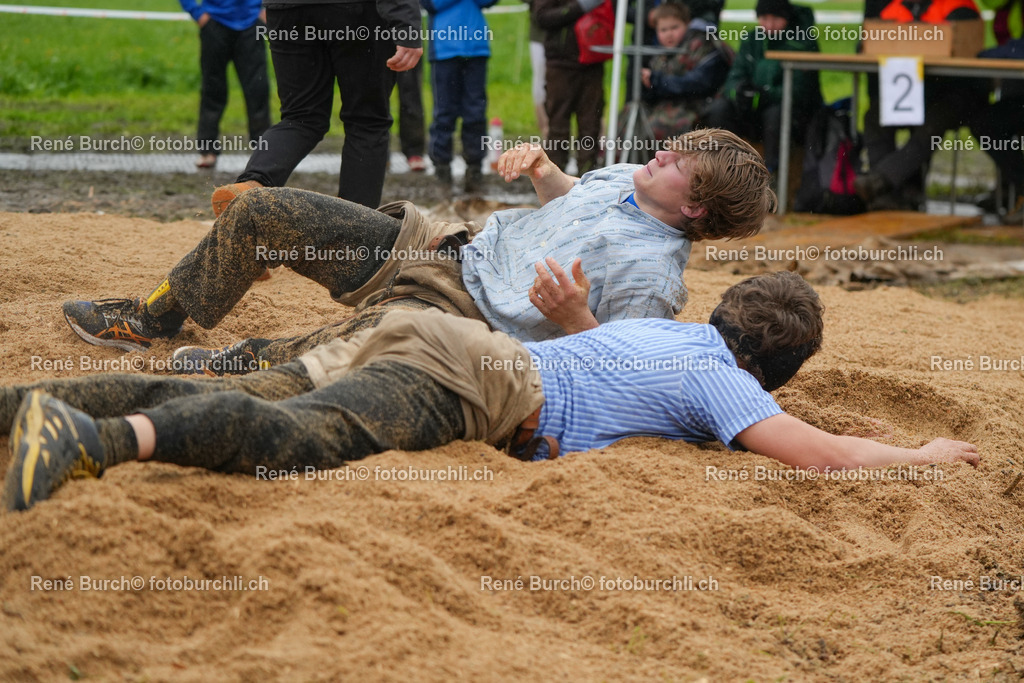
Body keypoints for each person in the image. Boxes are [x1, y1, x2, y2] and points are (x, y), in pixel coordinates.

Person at [2, 272, 980, 512]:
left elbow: (611, 362)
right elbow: (819, 456)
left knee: (267, 382)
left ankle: (19, 403)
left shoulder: (664, 334)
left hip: (434, 330)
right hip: (478, 384)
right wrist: (923, 456)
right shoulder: (719, 382)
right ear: (773, 369)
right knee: (293, 437)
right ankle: (92, 434)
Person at [60, 129, 775, 365]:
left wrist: (574, 321)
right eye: (675, 144)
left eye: (681, 160)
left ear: (694, 205)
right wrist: (543, 171)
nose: (663, 151)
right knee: (264, 211)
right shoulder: (625, 176)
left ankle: (238, 364)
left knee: (333, 352)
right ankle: (151, 318)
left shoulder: (653, 276)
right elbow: (575, 201)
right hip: (443, 243)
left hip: (467, 314)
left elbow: (616, 366)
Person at [208, 0, 424, 216]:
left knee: (300, 117)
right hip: (356, 13)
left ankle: (251, 184)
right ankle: (352, 231)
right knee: (366, 121)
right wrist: (406, 24)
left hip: (287, 11)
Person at [854, 0, 985, 210]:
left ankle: (881, 181)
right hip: (911, 94)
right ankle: (888, 196)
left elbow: (960, 48)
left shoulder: (959, 8)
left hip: (955, 94)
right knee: (874, 116)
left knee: (930, 125)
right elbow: (869, 43)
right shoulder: (893, 8)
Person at [701, 0, 822, 176]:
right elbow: (733, 78)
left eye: (776, 18)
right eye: (764, 18)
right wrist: (740, 92)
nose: (769, 25)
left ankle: (771, 175)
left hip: (792, 116)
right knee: (719, 109)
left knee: (775, 114)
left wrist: (766, 94)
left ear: (787, 17)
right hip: (753, 110)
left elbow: (801, 91)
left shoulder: (803, 43)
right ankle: (721, 170)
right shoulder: (751, 39)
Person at [179, 0, 271, 170]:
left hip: (251, 24)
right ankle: (207, 150)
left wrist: (266, 9)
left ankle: (263, 153)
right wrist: (197, 14)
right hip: (214, 23)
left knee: (258, 90)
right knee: (212, 90)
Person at [421, 0, 499, 193]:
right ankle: (442, 171)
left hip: (476, 47)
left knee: (476, 112)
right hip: (444, 50)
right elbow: (430, 4)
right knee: (444, 112)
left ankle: (474, 170)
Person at [640, 3, 732, 141]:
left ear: (687, 24)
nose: (669, 34)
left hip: (699, 107)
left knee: (657, 127)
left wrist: (656, 80)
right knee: (630, 116)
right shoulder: (660, 55)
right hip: (669, 106)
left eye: (674, 27)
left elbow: (697, 83)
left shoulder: (701, 44)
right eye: (663, 30)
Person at [534, 0, 607, 174]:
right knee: (558, 126)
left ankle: (588, 180)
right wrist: (580, 7)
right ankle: (553, 179)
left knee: (591, 125)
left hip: (593, 62)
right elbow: (542, 17)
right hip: (560, 64)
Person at [394, 61, 428, 172]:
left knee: (411, 92)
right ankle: (377, 149)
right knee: (374, 92)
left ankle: (414, 150)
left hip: (407, 45)